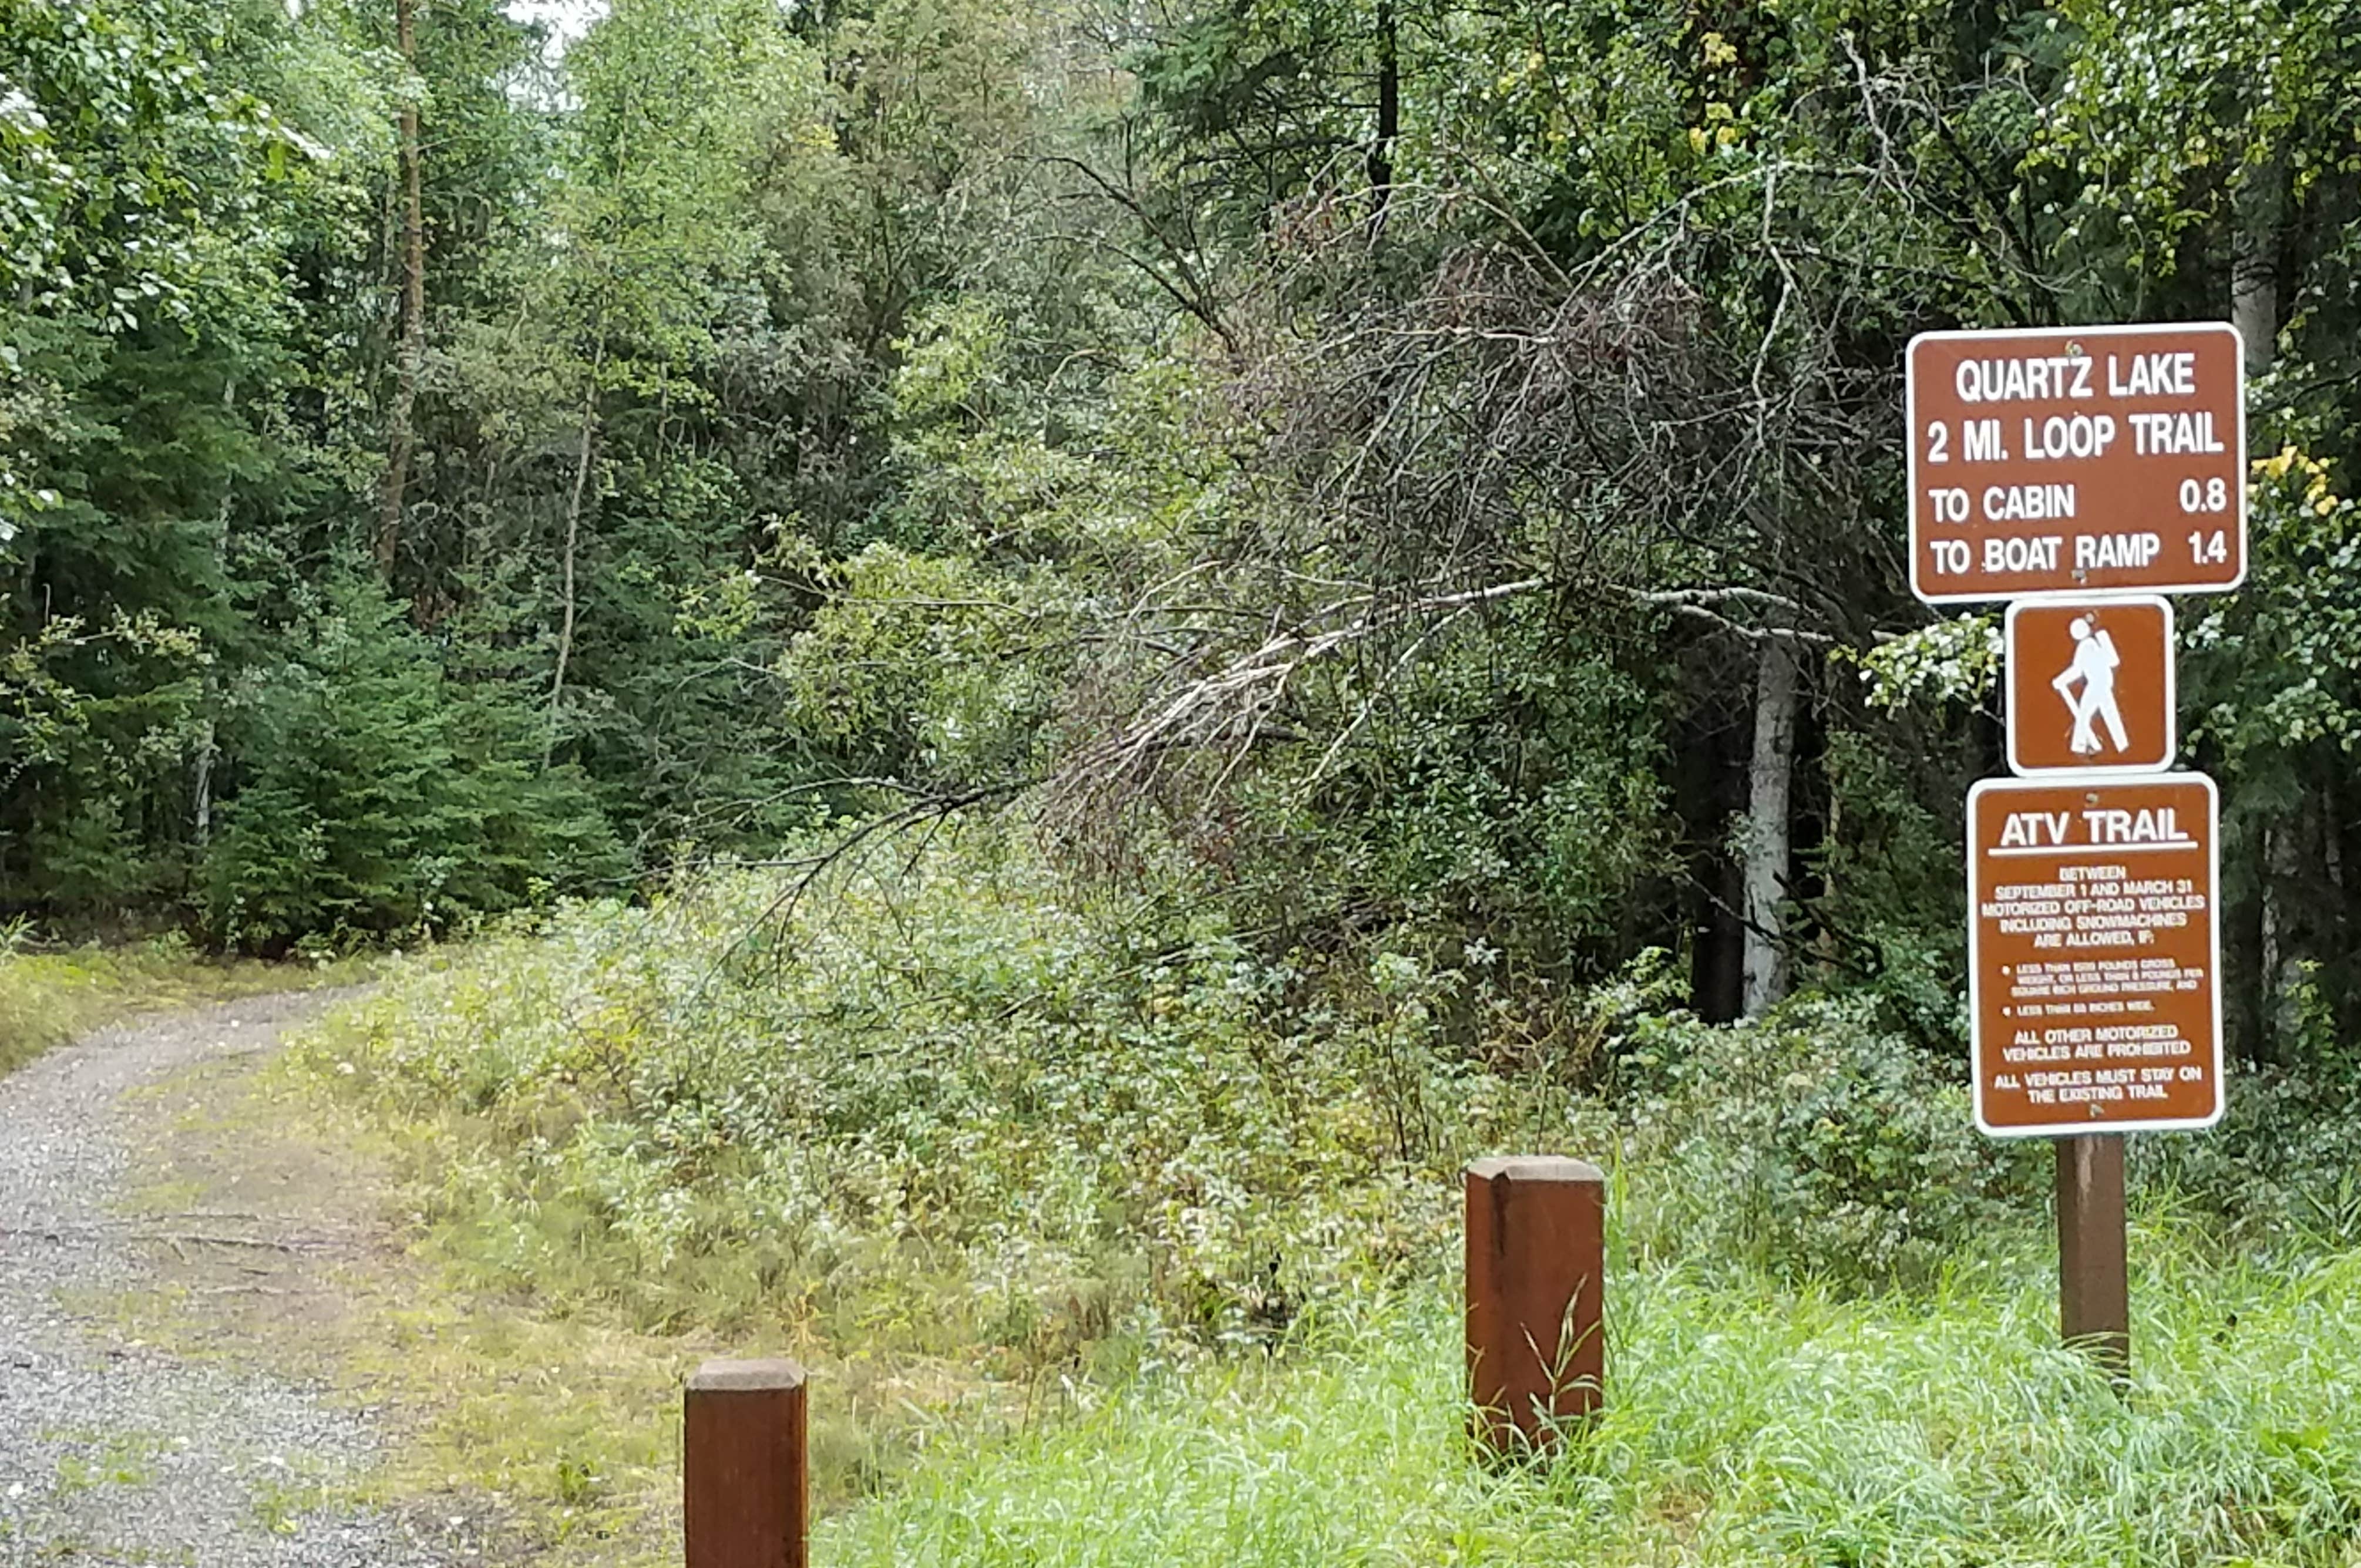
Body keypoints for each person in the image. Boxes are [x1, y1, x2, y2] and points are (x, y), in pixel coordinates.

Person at [2052, 615, 2128, 755]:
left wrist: (2061, 680)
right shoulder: (2093, 644)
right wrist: (2061, 681)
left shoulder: (2086, 647)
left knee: (2084, 714)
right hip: (2103, 683)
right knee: (2110, 713)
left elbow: (2077, 670)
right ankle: (2122, 746)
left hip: (2097, 684)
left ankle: (2079, 746)